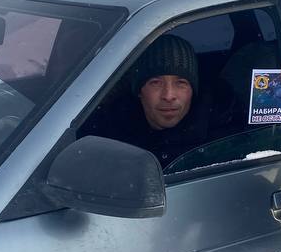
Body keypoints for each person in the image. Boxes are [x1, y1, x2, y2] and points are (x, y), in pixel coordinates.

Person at [93, 34, 218, 169]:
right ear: (139, 91)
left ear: (193, 90)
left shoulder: (220, 137)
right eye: (156, 83)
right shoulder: (108, 137)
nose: (168, 95)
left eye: (180, 83)